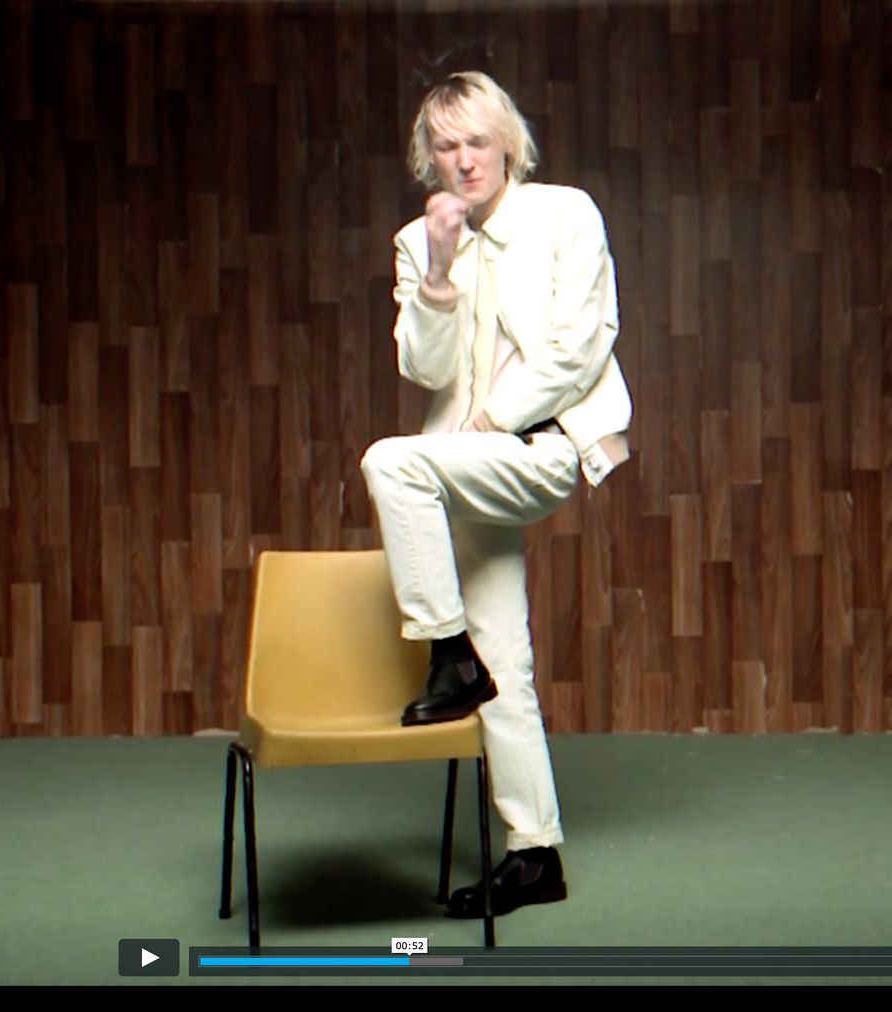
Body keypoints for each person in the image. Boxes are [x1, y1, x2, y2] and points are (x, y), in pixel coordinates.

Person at [358, 71, 632, 918]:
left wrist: (491, 420)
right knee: (505, 664)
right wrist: (439, 271)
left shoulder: (565, 213)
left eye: (478, 140)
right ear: (427, 159)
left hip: (537, 445)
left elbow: (579, 346)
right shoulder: (418, 240)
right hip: (460, 468)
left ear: (507, 140)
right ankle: (535, 853)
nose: (464, 160)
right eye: (445, 146)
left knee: (389, 461)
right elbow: (425, 369)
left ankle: (447, 652)